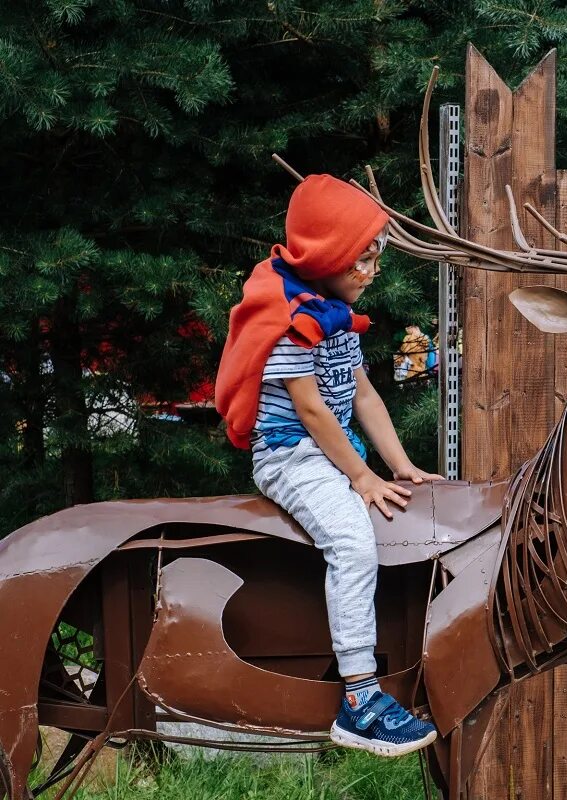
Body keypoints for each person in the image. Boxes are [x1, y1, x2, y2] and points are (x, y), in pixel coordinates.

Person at [215, 173, 443, 757]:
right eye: (355, 264)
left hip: (332, 452)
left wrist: (401, 465)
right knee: (351, 540)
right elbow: (313, 414)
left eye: (373, 262)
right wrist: (361, 478)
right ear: (324, 258)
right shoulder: (294, 321)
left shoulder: (335, 311)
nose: (366, 276)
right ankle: (360, 700)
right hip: (291, 457)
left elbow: (362, 395)